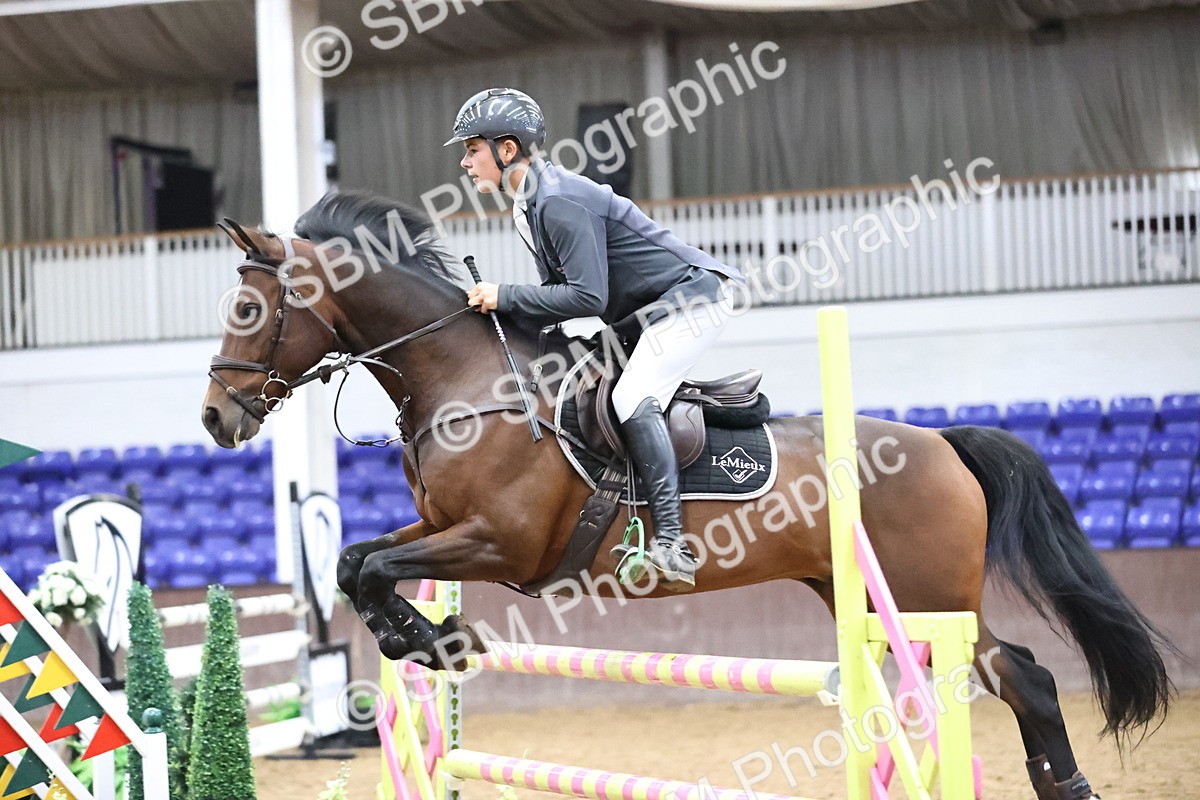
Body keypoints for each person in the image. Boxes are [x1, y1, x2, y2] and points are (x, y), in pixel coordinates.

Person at [447, 87, 744, 592]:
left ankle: (672, 543)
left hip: (691, 299)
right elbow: (561, 297)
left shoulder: (558, 201)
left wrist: (505, 295)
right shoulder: (528, 204)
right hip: (640, 315)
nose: (465, 161)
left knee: (631, 397)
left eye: (473, 149)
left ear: (508, 149)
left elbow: (585, 296)